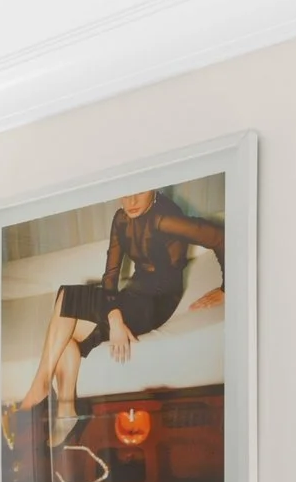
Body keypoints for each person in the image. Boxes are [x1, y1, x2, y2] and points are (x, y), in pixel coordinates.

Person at [11, 189, 225, 442]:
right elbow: (110, 278)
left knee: (67, 296)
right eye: (124, 195)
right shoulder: (121, 219)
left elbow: (220, 237)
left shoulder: (165, 218)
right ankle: (66, 410)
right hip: (132, 295)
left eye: (139, 193)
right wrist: (114, 317)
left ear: (153, 189)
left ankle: (39, 387)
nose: (131, 202)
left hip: (157, 304)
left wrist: (226, 289)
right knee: (66, 335)